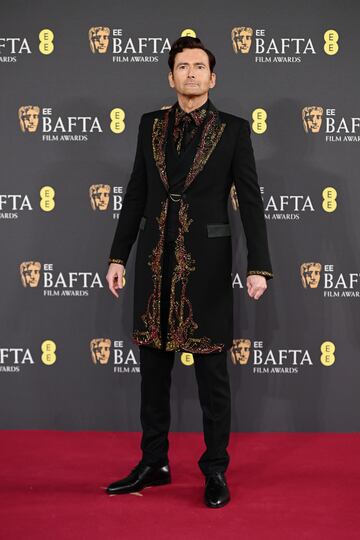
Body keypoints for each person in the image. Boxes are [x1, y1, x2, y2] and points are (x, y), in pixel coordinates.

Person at [105, 36, 274, 508]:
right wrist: (118, 256)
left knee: (212, 378)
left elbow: (252, 204)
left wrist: (259, 266)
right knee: (153, 374)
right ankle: (153, 462)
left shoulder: (234, 130)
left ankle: (215, 469)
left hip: (207, 267)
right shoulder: (149, 126)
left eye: (200, 66)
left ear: (212, 77)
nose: (192, 73)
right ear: (171, 76)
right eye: (183, 66)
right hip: (155, 264)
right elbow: (136, 193)